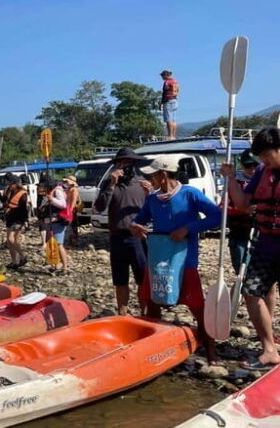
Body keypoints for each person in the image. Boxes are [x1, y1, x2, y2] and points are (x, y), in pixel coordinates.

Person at [130, 155, 221, 363]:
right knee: (151, 300)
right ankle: (154, 347)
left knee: (197, 306)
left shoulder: (190, 194)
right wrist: (135, 226)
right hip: (158, 259)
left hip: (185, 261)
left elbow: (216, 216)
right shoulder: (152, 199)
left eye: (152, 175)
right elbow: (140, 219)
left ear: (162, 175)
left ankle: (211, 352)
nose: (150, 179)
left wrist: (188, 229)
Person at [221, 128, 280, 370]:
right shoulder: (261, 173)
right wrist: (230, 179)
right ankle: (269, 350)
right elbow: (244, 204)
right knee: (251, 291)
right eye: (261, 157)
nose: (264, 161)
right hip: (266, 245)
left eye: (267, 156)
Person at [94, 147, 149, 315]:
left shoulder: (142, 183)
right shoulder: (110, 183)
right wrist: (111, 184)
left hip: (138, 238)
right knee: (120, 279)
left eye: (128, 163)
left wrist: (152, 193)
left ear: (134, 164)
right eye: (121, 163)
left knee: (142, 278)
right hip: (117, 236)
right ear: (116, 165)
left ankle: (145, 312)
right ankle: (122, 313)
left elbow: (155, 209)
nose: (125, 166)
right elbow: (100, 206)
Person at [0, 174, 28, 269]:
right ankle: (14, 261)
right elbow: (4, 201)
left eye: (10, 183)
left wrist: (24, 221)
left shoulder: (22, 193)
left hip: (18, 218)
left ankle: (23, 256)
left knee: (10, 239)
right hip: (9, 218)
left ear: (15, 183)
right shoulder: (8, 190)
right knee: (11, 242)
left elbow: (23, 208)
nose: (8, 185)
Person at [47, 177, 73, 273]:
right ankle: (58, 264)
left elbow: (62, 205)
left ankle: (65, 267)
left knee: (59, 244)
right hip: (53, 221)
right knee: (55, 244)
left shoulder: (57, 191)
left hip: (58, 221)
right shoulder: (56, 190)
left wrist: (51, 199)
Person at [160, 69, 180, 139]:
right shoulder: (175, 81)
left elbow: (164, 93)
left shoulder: (167, 82)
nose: (162, 77)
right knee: (173, 119)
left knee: (169, 119)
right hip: (175, 100)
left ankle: (170, 136)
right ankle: (173, 136)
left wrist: (162, 103)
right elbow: (177, 90)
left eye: (162, 75)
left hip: (168, 101)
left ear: (166, 75)